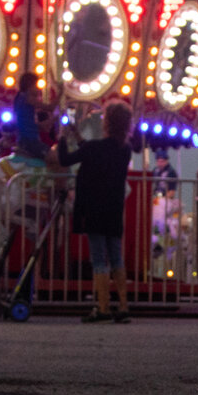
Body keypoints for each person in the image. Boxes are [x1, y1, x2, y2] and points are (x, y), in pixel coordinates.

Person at [58, 101, 136, 322]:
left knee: (99, 259)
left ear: (108, 123)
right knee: (116, 257)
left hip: (93, 208)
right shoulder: (125, 150)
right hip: (113, 209)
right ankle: (122, 306)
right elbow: (96, 151)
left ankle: (102, 307)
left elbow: (66, 159)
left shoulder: (94, 149)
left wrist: (63, 137)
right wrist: (80, 138)